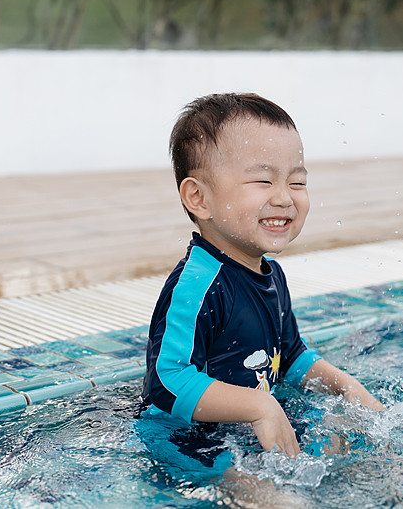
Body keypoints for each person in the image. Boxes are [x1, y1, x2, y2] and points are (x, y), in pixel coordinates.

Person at [140, 92, 384, 464]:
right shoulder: (197, 287)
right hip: (185, 439)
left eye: (297, 183)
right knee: (265, 492)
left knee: (352, 447)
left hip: (246, 429)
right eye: (263, 181)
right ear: (199, 198)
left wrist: (345, 385)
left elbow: (291, 356)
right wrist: (259, 406)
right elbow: (167, 381)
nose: (285, 198)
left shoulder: (272, 275)